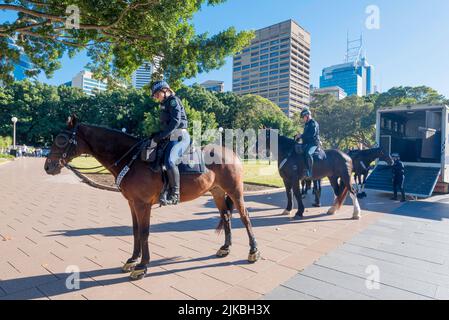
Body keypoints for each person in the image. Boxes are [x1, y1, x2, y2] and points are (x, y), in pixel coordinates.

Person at [150, 80, 190, 206]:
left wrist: (162, 135)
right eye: (155, 95)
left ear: (165, 90)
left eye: (157, 94)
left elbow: (175, 122)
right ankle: (163, 189)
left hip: (179, 135)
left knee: (170, 161)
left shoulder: (173, 101)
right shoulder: (164, 104)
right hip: (170, 136)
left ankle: (175, 194)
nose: (156, 97)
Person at [295, 107, 320, 178]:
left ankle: (310, 171)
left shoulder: (313, 123)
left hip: (313, 143)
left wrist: (301, 135)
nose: (303, 119)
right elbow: (305, 135)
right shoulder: (306, 124)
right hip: (306, 143)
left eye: (303, 117)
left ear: (307, 116)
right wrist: (298, 137)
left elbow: (312, 134)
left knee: (308, 153)